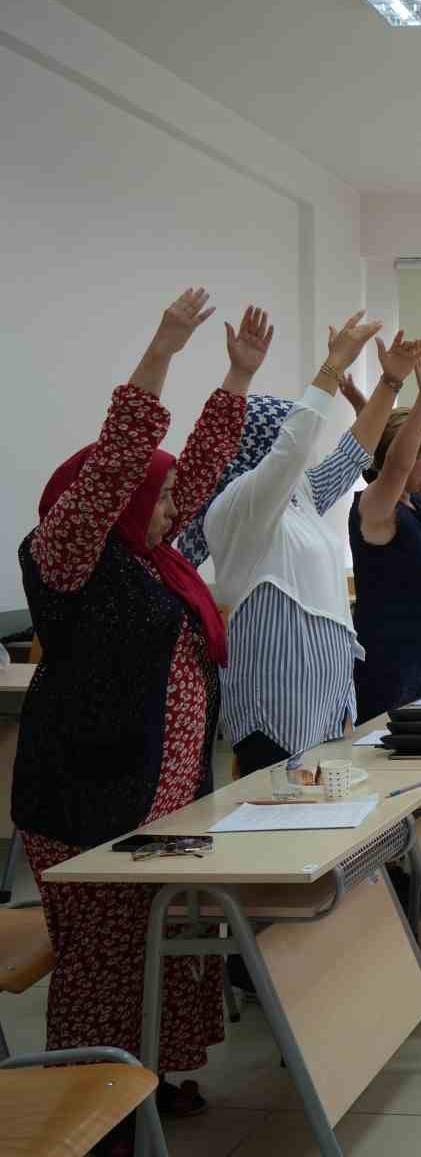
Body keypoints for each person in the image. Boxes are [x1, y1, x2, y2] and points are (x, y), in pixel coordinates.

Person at [13, 290, 259, 1143]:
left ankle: (152, 1076)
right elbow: (123, 463)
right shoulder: (71, 557)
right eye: (150, 501)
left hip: (163, 795)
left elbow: (185, 474)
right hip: (93, 797)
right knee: (105, 960)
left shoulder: (147, 555)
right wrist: (162, 350)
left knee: (162, 944)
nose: (169, 511)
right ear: (102, 504)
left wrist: (236, 379)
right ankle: (93, 1103)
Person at [186, 312, 418, 778]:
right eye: (285, 441)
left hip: (324, 697)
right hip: (277, 703)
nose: (303, 450)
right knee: (276, 820)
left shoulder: (301, 495)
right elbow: (293, 446)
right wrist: (332, 367)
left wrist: (390, 383)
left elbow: (355, 450)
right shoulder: (240, 504)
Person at [349, 344, 421, 721]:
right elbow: (395, 466)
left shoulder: (414, 503)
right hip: (384, 663)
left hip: (419, 658)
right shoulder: (376, 506)